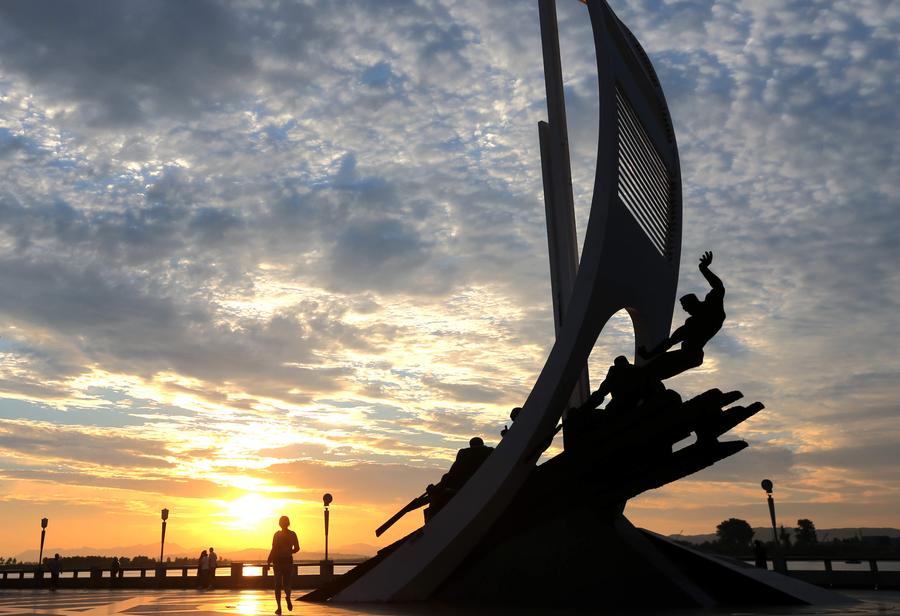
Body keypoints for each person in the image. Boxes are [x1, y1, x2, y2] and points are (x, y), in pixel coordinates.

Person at [640, 251, 725, 380]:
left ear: (693, 303)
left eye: (686, 308)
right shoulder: (691, 322)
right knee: (656, 366)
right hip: (687, 354)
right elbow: (669, 342)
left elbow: (719, 287)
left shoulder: (711, 307)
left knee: (657, 367)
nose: (686, 311)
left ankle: (646, 379)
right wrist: (648, 355)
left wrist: (704, 269)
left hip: (692, 356)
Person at [267, 515, 300, 614]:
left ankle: (279, 607)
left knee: (277, 585)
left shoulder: (277, 535)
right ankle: (288, 597)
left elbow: (273, 549)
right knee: (287, 583)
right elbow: (297, 548)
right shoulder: (293, 534)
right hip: (288, 561)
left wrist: (269, 560)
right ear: (288, 523)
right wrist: (289, 551)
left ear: (280, 524)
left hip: (277, 561)